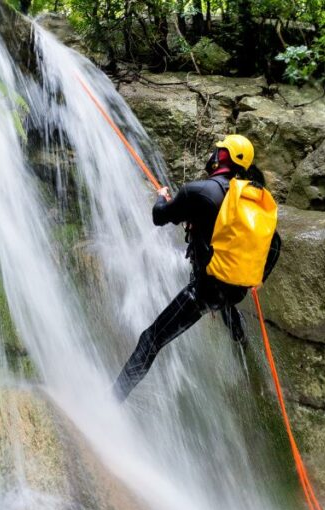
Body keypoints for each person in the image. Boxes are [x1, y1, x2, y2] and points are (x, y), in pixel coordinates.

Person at [113, 134, 281, 400]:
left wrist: (162, 197)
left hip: (205, 290)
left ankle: (112, 401)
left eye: (218, 149)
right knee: (225, 301)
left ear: (222, 156)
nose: (213, 153)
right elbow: (275, 243)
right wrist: (260, 277)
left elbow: (159, 216)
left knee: (151, 339)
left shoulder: (199, 192)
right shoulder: (252, 200)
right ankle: (240, 340)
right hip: (236, 289)